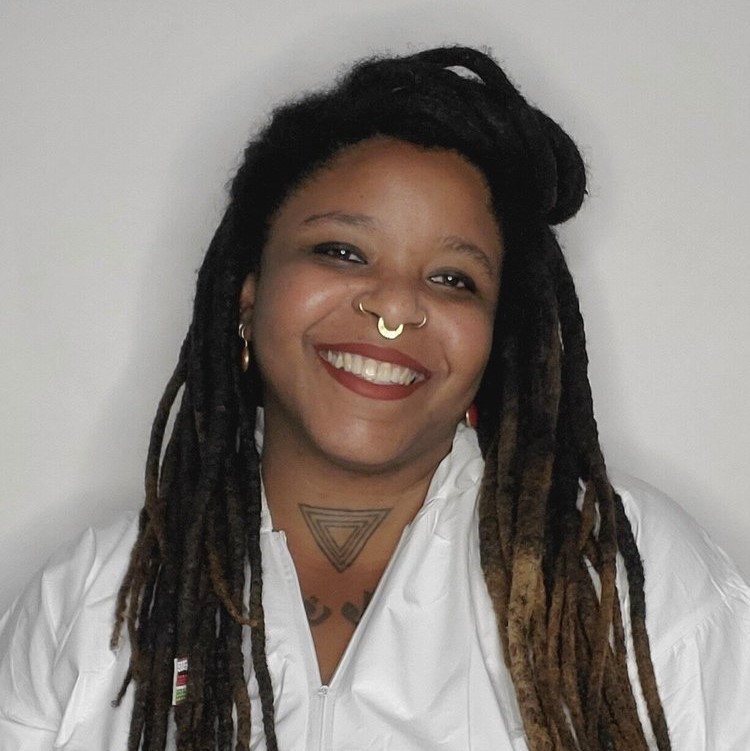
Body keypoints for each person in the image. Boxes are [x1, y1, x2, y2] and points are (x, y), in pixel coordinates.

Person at [1, 45, 749, 751]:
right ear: (246, 297)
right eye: (343, 251)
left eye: (454, 278)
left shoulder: (617, 569)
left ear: (495, 339)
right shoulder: (91, 601)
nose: (395, 309)